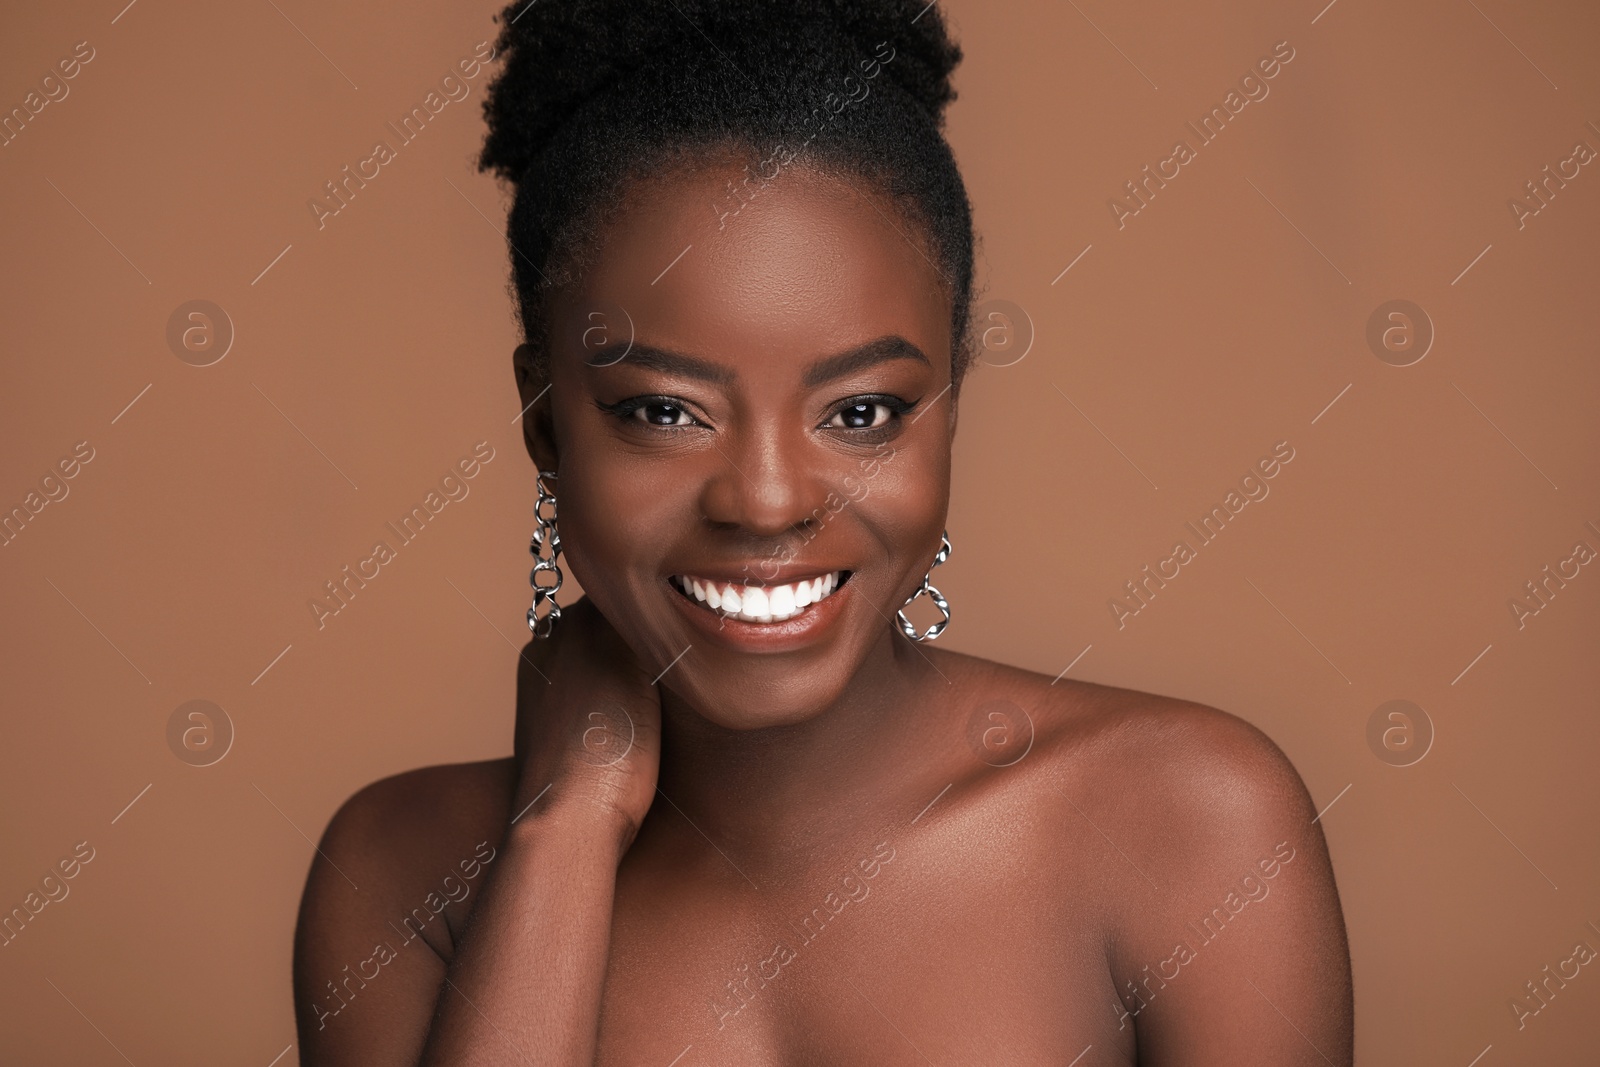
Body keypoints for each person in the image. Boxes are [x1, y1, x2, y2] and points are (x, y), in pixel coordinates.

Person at [292, 1, 1355, 1063]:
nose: (764, 501)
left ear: (949, 405)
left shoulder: (1186, 822)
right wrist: (562, 830)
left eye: (860, 413)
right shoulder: (401, 875)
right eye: (664, 411)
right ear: (546, 423)